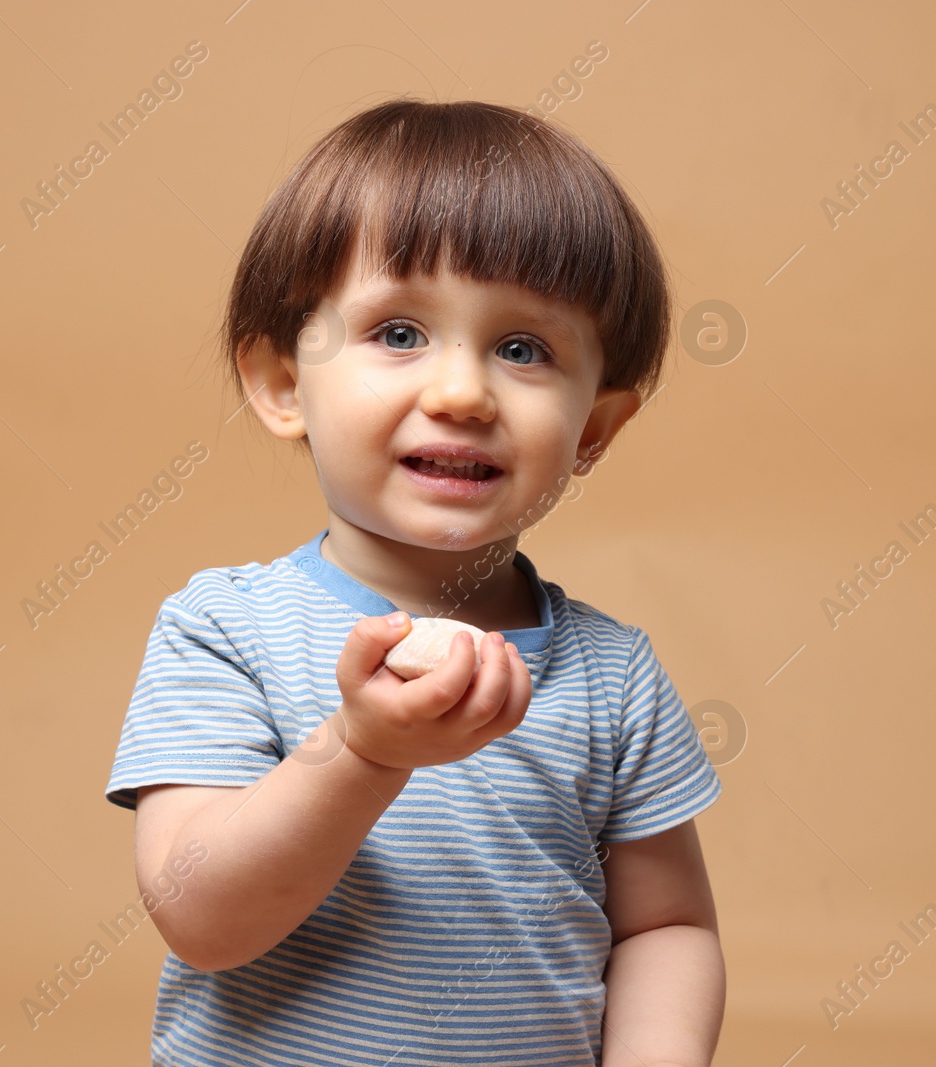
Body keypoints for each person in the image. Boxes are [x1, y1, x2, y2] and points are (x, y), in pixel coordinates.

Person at [104, 97, 724, 1066]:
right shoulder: (225, 627)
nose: (462, 392)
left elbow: (666, 925)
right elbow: (199, 914)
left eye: (524, 349)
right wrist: (363, 751)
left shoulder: (612, 673)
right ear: (280, 382)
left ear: (594, 428)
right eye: (398, 332)